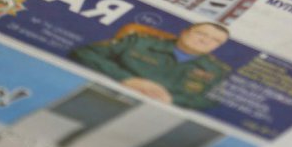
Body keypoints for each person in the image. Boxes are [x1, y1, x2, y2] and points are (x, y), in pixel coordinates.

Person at [71, 22, 231, 109]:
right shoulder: (139, 42)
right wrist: (126, 79)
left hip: (154, 113)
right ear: (184, 32)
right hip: (104, 97)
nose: (205, 40)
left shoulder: (215, 70)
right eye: (201, 33)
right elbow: (86, 53)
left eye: (215, 40)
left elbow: (209, 100)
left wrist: (172, 99)